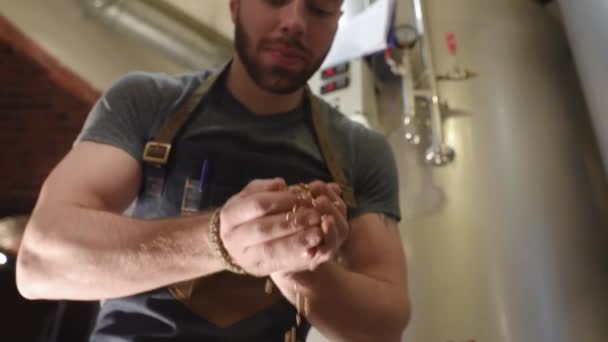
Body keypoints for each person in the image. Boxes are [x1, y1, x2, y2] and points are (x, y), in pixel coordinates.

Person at [16, 0, 411, 341]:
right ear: (235, 6)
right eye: (274, 0)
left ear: (337, 17)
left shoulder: (360, 151)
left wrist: (301, 266)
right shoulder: (147, 103)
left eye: (319, 8)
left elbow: (385, 327)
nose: (296, 22)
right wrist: (218, 241)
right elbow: (40, 262)